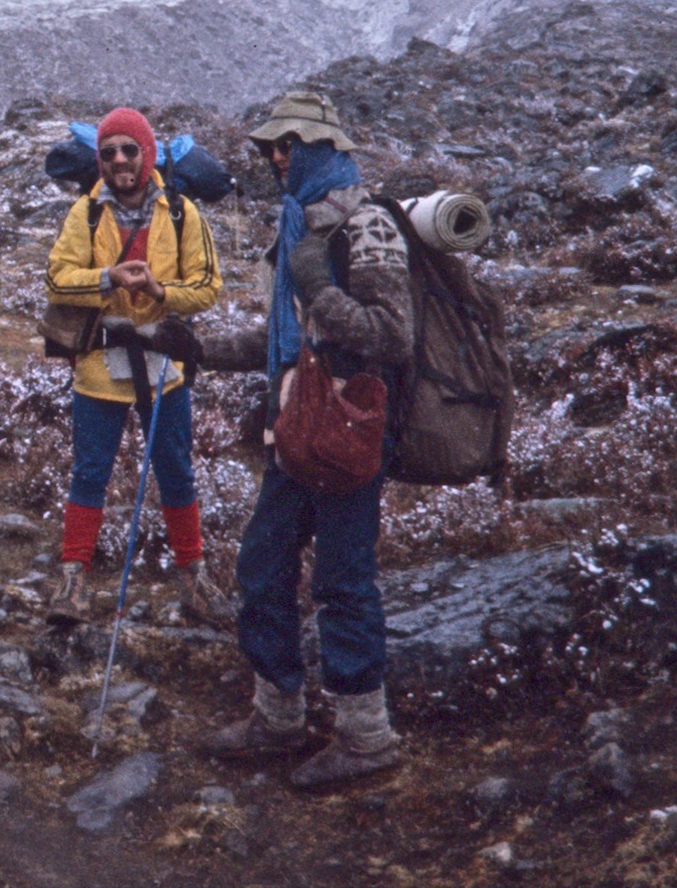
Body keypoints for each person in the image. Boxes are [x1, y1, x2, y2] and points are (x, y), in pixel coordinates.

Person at [203, 89, 414, 789]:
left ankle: (366, 736)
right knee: (263, 565)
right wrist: (192, 346)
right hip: (299, 422)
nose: (276, 158)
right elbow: (281, 342)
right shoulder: (297, 224)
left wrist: (320, 286)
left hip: (353, 424)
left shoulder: (368, 224)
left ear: (322, 147)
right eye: (269, 148)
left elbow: (391, 334)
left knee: (342, 579)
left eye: (287, 146)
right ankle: (279, 715)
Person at [41, 107, 232, 628]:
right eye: (109, 153)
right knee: (90, 473)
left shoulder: (182, 213)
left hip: (163, 364)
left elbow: (208, 286)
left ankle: (193, 573)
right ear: (99, 160)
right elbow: (58, 278)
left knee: (175, 470)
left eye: (130, 150)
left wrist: (157, 291)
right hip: (101, 367)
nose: (120, 161)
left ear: (148, 154)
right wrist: (107, 279)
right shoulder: (86, 213)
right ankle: (73, 578)